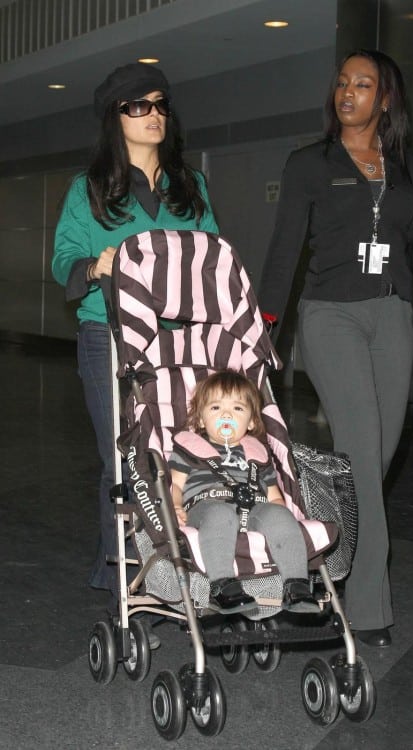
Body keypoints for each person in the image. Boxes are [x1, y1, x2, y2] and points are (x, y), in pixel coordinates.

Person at [258, 49, 413, 647]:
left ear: (386, 98)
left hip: (393, 316)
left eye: (363, 84)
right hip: (331, 317)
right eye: (343, 83)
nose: (348, 92)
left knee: (370, 460)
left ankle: (309, 549)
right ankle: (367, 607)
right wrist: (262, 325)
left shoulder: (407, 169)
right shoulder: (308, 164)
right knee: (362, 454)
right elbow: (282, 253)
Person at [52, 63, 219, 634]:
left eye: (160, 104)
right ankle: (121, 572)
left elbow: (213, 258)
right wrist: (94, 265)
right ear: (114, 117)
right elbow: (63, 259)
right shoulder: (89, 188)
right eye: (138, 106)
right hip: (109, 333)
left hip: (179, 338)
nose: (153, 115)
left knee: (182, 454)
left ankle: (181, 567)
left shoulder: (190, 186)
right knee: (122, 458)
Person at [169, 369, 319, 614]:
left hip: (254, 506)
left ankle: (296, 585)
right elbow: (175, 484)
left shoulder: (257, 454)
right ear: (199, 420)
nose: (226, 414)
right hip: (207, 506)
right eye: (216, 408)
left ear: (251, 422)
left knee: (280, 516)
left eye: (237, 409)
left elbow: (273, 493)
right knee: (220, 514)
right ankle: (222, 585)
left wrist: (280, 512)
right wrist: (174, 505)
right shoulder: (190, 448)